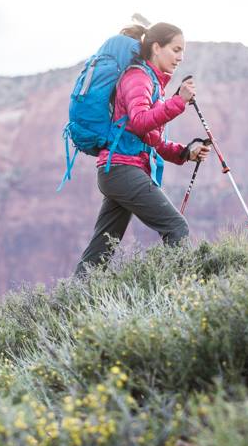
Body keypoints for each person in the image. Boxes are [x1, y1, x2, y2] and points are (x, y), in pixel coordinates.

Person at [74, 21, 211, 274]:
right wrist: (178, 102)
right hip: (121, 169)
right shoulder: (138, 77)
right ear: (156, 47)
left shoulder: (152, 82)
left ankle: (68, 305)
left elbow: (151, 139)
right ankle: (181, 292)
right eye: (176, 49)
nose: (180, 57)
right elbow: (139, 123)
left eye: (183, 52)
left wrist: (185, 152)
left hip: (117, 171)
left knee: (99, 252)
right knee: (175, 227)